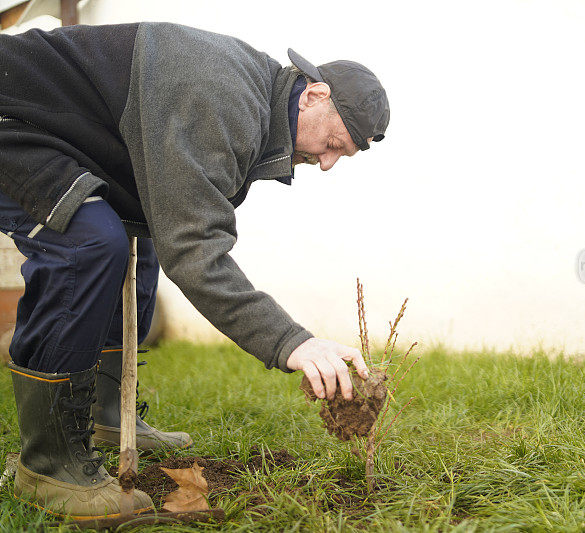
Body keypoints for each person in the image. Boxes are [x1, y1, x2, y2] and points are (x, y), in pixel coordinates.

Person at [0, 21, 389, 519]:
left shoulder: (257, 103)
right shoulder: (224, 101)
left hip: (58, 137)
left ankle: (106, 414)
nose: (329, 162)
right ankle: (48, 466)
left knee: (140, 239)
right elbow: (197, 250)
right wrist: (292, 341)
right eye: (334, 142)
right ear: (314, 94)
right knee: (91, 243)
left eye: (343, 155)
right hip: (13, 118)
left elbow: (178, 225)